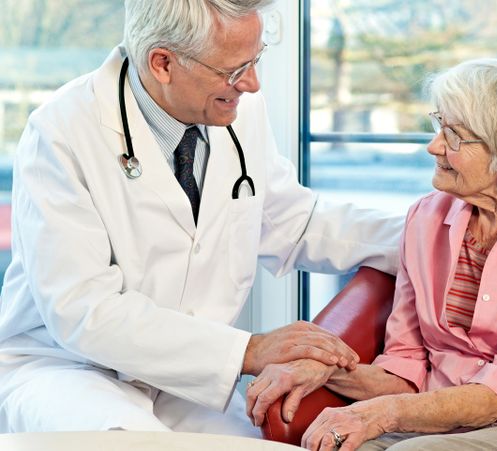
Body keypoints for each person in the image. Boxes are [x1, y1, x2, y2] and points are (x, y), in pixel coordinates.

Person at [0, 0, 403, 436]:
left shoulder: (236, 108)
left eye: (256, 59)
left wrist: (433, 234)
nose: (251, 83)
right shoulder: (62, 132)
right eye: (234, 70)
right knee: (133, 443)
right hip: (70, 371)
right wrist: (250, 350)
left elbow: (294, 223)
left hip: (185, 380)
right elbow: (84, 312)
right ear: (163, 63)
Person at [246, 58, 497, 450]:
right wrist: (320, 368)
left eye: (454, 136)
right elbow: (405, 369)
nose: (434, 146)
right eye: (439, 125)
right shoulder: (426, 217)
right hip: (432, 422)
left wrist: (384, 414)